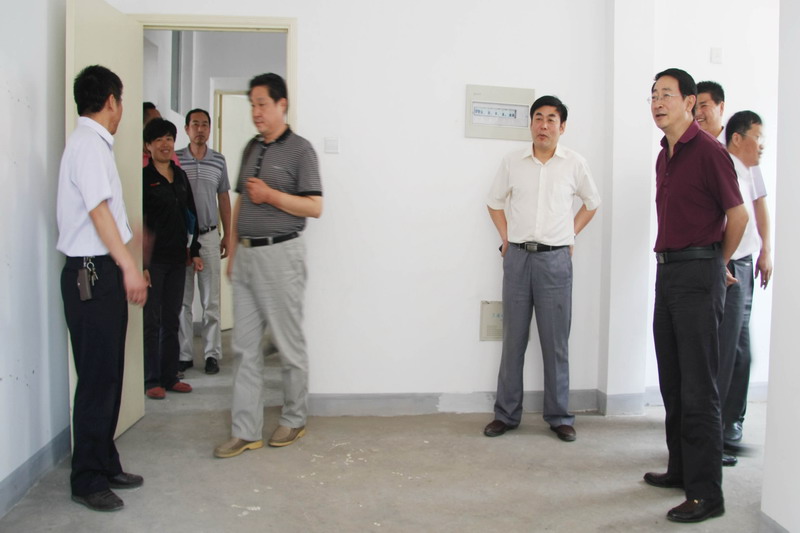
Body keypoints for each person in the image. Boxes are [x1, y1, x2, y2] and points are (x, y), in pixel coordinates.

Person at [644, 68, 747, 524]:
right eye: (653, 95)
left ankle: (707, 494)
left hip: (699, 272)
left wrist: (717, 263)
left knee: (699, 386)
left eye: (666, 94)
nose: (657, 102)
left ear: (689, 102)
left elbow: (738, 215)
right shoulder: (663, 156)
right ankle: (680, 469)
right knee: (672, 379)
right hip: (667, 272)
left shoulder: (709, 152)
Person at [214, 73, 323, 458]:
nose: (256, 112)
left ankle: (294, 419)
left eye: (262, 104)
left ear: (282, 104)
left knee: (289, 345)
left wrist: (272, 196)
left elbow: (314, 206)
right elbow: (241, 199)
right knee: (244, 348)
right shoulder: (250, 147)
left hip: (282, 256)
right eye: (252, 104)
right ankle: (245, 431)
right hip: (247, 257)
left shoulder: (301, 150)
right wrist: (232, 250)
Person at [483, 95, 600, 443]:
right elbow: (493, 202)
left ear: (562, 127)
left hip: (555, 261)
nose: (543, 125)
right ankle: (506, 414)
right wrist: (506, 239)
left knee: (555, 343)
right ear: (531, 124)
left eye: (551, 119)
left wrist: (570, 234)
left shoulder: (574, 163)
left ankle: (560, 416)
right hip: (518, 258)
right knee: (513, 341)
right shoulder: (512, 162)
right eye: (538, 118)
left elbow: (592, 202)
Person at [57, 65, 148, 511]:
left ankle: (105, 461)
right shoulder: (89, 145)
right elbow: (98, 212)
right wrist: (128, 266)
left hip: (99, 272)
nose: (122, 109)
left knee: (109, 374)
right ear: (111, 101)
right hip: (90, 274)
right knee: (97, 378)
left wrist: (126, 264)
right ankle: (87, 479)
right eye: (121, 100)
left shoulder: (92, 145)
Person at [695, 82, 773, 451]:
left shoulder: (744, 162)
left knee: (740, 352)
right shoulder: (710, 156)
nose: (699, 112)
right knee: (725, 351)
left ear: (721, 108)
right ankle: (716, 432)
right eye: (695, 105)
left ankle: (731, 423)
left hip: (742, 264)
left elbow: (757, 207)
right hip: (725, 265)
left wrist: (766, 249)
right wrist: (720, 261)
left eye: (705, 105)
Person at [142, 118, 202, 399]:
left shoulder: (179, 176)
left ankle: (170, 376)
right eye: (159, 140)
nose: (165, 144)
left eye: (169, 139)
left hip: (179, 259)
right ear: (148, 146)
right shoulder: (144, 179)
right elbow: (141, 222)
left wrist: (195, 250)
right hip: (154, 261)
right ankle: (151, 379)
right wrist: (142, 264)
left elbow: (191, 214)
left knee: (172, 318)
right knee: (152, 321)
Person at [175, 109, 231, 376]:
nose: (200, 129)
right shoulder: (176, 159)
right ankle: (184, 355)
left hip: (209, 236)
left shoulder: (218, 160)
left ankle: (211, 354)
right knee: (183, 301)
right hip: (183, 238)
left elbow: (224, 198)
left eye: (205, 125)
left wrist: (228, 234)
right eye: (195, 124)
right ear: (186, 128)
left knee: (211, 301)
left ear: (209, 129)